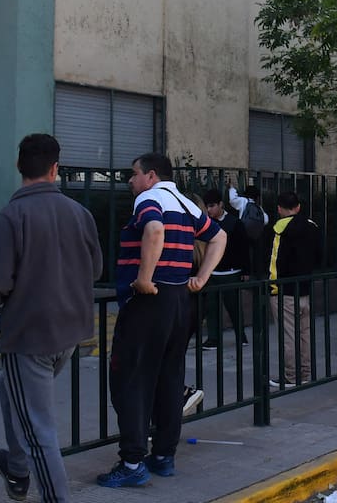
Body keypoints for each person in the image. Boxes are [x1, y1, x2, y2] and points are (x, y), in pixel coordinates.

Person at [0, 134, 103, 503]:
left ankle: (48, 492)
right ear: (55, 169)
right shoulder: (80, 213)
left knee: (39, 432)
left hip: (30, 334)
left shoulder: (11, 216)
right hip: (69, 331)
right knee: (10, 390)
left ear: (20, 168)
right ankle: (17, 468)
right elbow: (94, 269)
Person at [97, 153, 225, 488]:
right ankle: (164, 455)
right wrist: (202, 277)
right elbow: (218, 236)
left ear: (151, 176)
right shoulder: (185, 203)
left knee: (130, 378)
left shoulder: (149, 199)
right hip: (180, 300)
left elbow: (154, 230)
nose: (130, 180)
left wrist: (143, 277)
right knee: (169, 377)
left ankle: (132, 461)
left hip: (149, 302)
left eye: (133, 174)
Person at [269, 192, 324, 386]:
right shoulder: (312, 226)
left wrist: (273, 288)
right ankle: (305, 373)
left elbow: (275, 263)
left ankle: (291, 376)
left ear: (279, 208)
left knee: (288, 336)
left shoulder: (280, 228)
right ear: (298, 207)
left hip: (285, 290)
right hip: (305, 289)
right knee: (304, 334)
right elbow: (319, 256)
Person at [201, 188, 251, 349]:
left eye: (212, 206)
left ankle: (241, 336)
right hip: (212, 271)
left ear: (221, 204)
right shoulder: (207, 223)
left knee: (233, 306)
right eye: (207, 207)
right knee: (211, 307)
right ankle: (213, 339)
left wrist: (246, 270)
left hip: (231, 271)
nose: (209, 210)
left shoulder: (234, 223)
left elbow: (243, 247)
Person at [228, 183, 269, 278]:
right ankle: (257, 275)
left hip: (244, 233)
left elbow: (233, 200)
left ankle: (245, 274)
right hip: (257, 236)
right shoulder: (258, 207)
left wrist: (231, 188)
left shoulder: (243, 201)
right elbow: (266, 220)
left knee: (244, 254)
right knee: (256, 257)